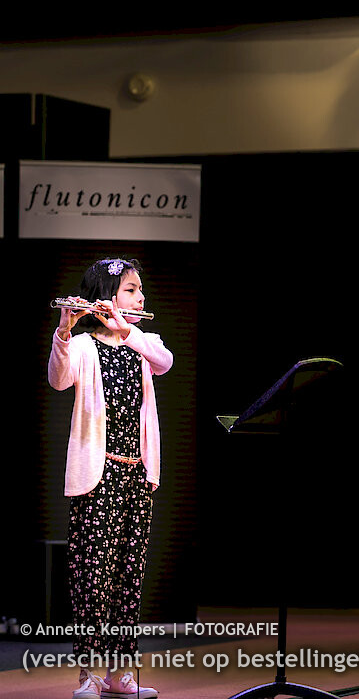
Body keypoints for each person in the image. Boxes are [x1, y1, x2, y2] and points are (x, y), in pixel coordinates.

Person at [48, 258, 173, 699]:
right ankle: (89, 675)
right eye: (131, 290)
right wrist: (64, 330)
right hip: (97, 476)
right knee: (92, 579)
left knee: (128, 578)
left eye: (140, 290)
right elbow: (58, 379)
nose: (141, 298)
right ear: (106, 295)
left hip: (137, 475)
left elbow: (165, 362)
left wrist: (126, 329)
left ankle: (120, 674)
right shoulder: (83, 346)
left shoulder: (144, 342)